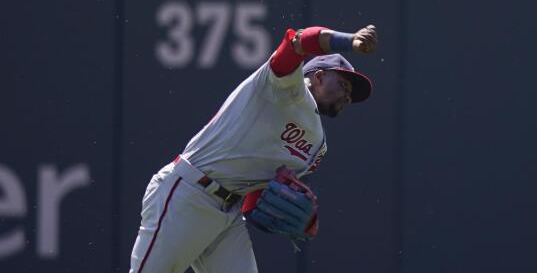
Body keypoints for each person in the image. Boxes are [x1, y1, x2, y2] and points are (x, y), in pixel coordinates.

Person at [129, 24, 378, 273]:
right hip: (188, 193)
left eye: (351, 95)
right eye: (345, 85)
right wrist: (350, 40)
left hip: (229, 214)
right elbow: (300, 41)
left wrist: (294, 215)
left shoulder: (317, 146)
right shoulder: (284, 84)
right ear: (319, 76)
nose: (348, 96)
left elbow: (257, 198)